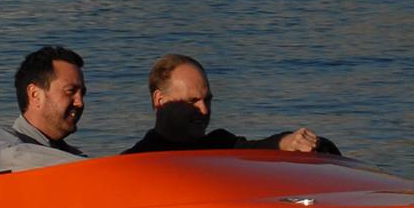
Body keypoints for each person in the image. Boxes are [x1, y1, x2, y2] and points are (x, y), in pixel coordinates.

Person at [123, 54, 338, 156]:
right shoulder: (134, 161)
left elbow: (257, 149)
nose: (204, 110)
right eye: (192, 101)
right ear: (160, 100)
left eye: (208, 100)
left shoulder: (219, 144)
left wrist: (288, 142)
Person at [0, 45, 89, 177]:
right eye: (70, 91)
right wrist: (97, 167)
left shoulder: (72, 155)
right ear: (35, 95)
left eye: (82, 94)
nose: (80, 102)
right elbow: (14, 157)